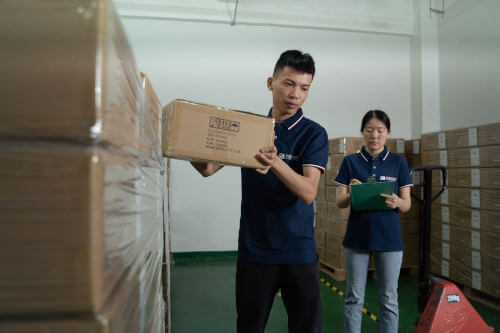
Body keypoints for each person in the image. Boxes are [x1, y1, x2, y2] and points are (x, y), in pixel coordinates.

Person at [191, 50, 329, 333]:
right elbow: (207, 169)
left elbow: (308, 192)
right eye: (288, 84)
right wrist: (185, 144)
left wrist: (275, 162)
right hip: (255, 251)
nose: (295, 94)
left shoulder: (313, 134)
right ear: (271, 83)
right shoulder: (250, 129)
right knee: (249, 327)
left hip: (298, 252)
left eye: (304, 88)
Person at [335, 110, 412, 333]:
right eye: (369, 130)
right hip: (357, 237)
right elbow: (340, 202)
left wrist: (397, 201)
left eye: (380, 131)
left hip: (389, 240)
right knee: (354, 296)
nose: (374, 135)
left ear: (388, 133)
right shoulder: (350, 162)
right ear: (362, 132)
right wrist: (352, 193)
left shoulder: (399, 163)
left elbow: (407, 205)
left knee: (389, 298)